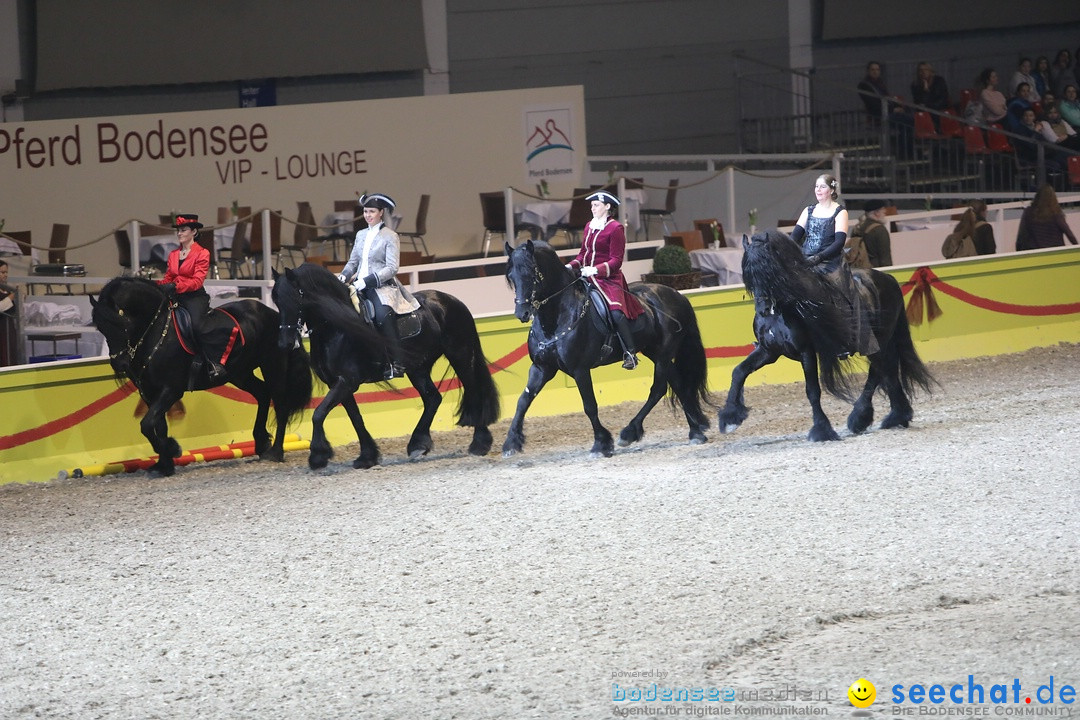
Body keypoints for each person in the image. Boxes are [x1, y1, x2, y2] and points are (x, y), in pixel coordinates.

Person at [790, 174, 877, 356]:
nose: (818, 190)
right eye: (816, 187)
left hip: (830, 262)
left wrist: (819, 257)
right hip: (806, 260)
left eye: (822, 187)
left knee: (839, 294)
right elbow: (795, 236)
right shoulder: (808, 211)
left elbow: (839, 243)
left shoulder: (840, 212)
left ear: (831, 190)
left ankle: (845, 340)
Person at [338, 192, 418, 379]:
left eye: (371, 211)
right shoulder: (360, 234)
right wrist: (343, 275)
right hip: (357, 285)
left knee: (382, 315)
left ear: (381, 213)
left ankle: (397, 362)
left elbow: (392, 267)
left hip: (380, 287)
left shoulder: (390, 236)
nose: (368, 215)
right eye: (365, 211)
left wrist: (367, 280)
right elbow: (353, 262)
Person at [565, 191, 644, 370]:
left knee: (615, 313)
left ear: (608, 207)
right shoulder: (589, 226)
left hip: (608, 279)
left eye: (596, 205)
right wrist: (571, 266)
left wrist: (596, 269)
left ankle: (630, 352)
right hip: (585, 276)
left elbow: (616, 260)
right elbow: (583, 254)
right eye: (592, 205)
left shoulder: (615, 228)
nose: (592, 208)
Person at [157, 214, 226, 383]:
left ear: (194, 231)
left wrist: (176, 286)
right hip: (175, 295)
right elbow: (168, 277)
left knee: (196, 325)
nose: (179, 234)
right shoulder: (173, 254)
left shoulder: (202, 253)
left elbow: (197, 281)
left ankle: (212, 362)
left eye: (183, 230)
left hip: (194, 297)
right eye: (179, 231)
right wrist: (157, 285)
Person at [857, 61, 914, 157]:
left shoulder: (880, 84)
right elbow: (873, 104)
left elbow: (887, 100)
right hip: (878, 115)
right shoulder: (864, 85)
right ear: (868, 71)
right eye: (873, 70)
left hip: (887, 113)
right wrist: (893, 110)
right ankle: (905, 154)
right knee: (909, 121)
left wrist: (898, 107)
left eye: (877, 70)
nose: (875, 72)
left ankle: (906, 154)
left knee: (906, 126)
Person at [1016, 184, 1079, 251]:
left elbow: (1021, 235)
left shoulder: (1028, 212)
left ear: (1037, 196)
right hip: (1055, 252)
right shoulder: (1056, 214)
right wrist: (1077, 247)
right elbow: (1069, 234)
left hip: (1034, 253)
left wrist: (1019, 251)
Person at [850, 200, 893, 268]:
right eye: (883, 210)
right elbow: (885, 258)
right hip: (875, 271)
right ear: (876, 213)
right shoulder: (879, 229)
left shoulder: (857, 229)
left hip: (858, 270)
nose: (885, 212)